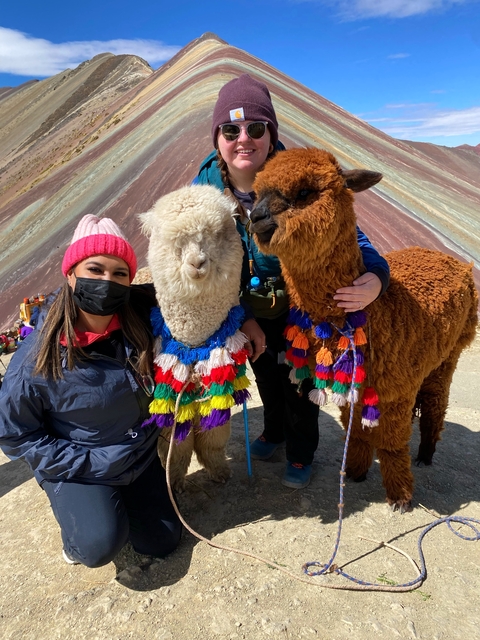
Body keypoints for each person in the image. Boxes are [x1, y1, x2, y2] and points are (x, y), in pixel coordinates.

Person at [195, 74, 390, 489]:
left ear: (271, 134)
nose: (243, 138)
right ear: (218, 139)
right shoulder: (204, 192)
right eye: (231, 130)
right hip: (245, 307)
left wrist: (376, 276)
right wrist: (240, 315)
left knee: (299, 378)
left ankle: (301, 451)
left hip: (298, 304)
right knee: (265, 371)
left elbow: (349, 233)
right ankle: (274, 431)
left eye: (256, 128)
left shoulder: (301, 179)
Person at [0, 215, 181, 567]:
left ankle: (115, 504)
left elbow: (197, 298)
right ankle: (78, 519)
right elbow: (16, 436)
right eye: (95, 269)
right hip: (79, 463)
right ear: (71, 274)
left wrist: (246, 321)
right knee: (99, 545)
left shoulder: (141, 317)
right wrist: (91, 462)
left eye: (119, 274)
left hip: (138, 456)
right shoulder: (37, 360)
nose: (106, 282)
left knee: (160, 541)